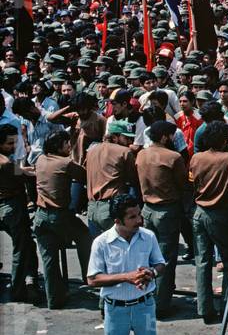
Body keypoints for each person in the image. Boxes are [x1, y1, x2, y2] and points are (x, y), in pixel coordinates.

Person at [87, 193, 167, 335]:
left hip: (145, 308)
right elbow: (93, 279)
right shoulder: (102, 243)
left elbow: (160, 264)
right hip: (116, 311)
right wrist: (127, 277)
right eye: (132, 217)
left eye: (139, 214)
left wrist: (150, 273)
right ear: (117, 221)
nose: (138, 221)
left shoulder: (148, 236)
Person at [188, 120, 228, 324]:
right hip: (219, 213)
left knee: (202, 261)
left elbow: (193, 183)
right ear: (223, 140)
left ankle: (204, 307)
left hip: (199, 212)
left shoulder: (196, 158)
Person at [33, 130, 91, 309]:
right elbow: (85, 175)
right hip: (60, 215)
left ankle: (54, 299)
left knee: (49, 260)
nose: (69, 146)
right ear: (59, 146)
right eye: (67, 143)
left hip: (40, 215)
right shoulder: (65, 163)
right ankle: (90, 277)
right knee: (85, 238)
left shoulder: (40, 160)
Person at [135, 120, 188, 317]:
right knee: (165, 258)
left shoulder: (141, 155)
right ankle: (162, 304)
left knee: (148, 256)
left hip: (148, 208)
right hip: (167, 209)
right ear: (165, 136)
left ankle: (151, 297)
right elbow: (182, 183)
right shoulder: (173, 157)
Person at [0, 123, 39, 302]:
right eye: (9, 144)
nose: (13, 147)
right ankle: (18, 290)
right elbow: (23, 175)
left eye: (15, 143)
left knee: (25, 245)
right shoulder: (6, 163)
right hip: (11, 207)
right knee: (20, 249)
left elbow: (21, 171)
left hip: (6, 207)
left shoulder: (6, 161)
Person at [85, 120, 138, 234]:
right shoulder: (124, 151)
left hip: (92, 208)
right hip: (112, 208)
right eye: (126, 138)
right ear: (115, 137)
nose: (130, 141)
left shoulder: (91, 150)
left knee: (100, 249)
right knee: (123, 247)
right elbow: (134, 180)